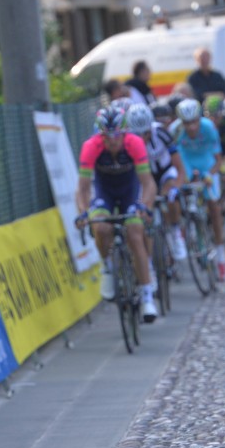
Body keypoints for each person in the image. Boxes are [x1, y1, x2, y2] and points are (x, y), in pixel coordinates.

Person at [76, 107, 159, 321]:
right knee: (101, 227)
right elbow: (83, 189)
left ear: (124, 132)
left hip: (130, 191)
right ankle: (108, 266)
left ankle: (147, 296)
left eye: (117, 135)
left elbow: (148, 183)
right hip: (105, 192)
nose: (112, 141)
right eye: (107, 136)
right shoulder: (91, 146)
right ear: (100, 134)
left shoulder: (134, 143)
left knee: (135, 233)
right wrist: (83, 213)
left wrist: (145, 206)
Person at [173, 98, 225, 281]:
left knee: (214, 207)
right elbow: (175, 160)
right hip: (187, 163)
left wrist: (209, 174)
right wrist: (183, 178)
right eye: (187, 123)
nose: (192, 127)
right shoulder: (175, 130)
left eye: (195, 122)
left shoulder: (209, 127)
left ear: (200, 118)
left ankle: (221, 258)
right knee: (180, 194)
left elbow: (218, 159)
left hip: (207, 163)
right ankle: (186, 230)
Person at [125, 103, 188, 261]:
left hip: (165, 172)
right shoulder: (126, 141)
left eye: (145, 133)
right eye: (137, 134)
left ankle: (175, 231)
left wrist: (177, 186)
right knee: (144, 214)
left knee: (171, 196)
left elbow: (179, 167)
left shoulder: (161, 133)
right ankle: (149, 260)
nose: (142, 139)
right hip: (144, 178)